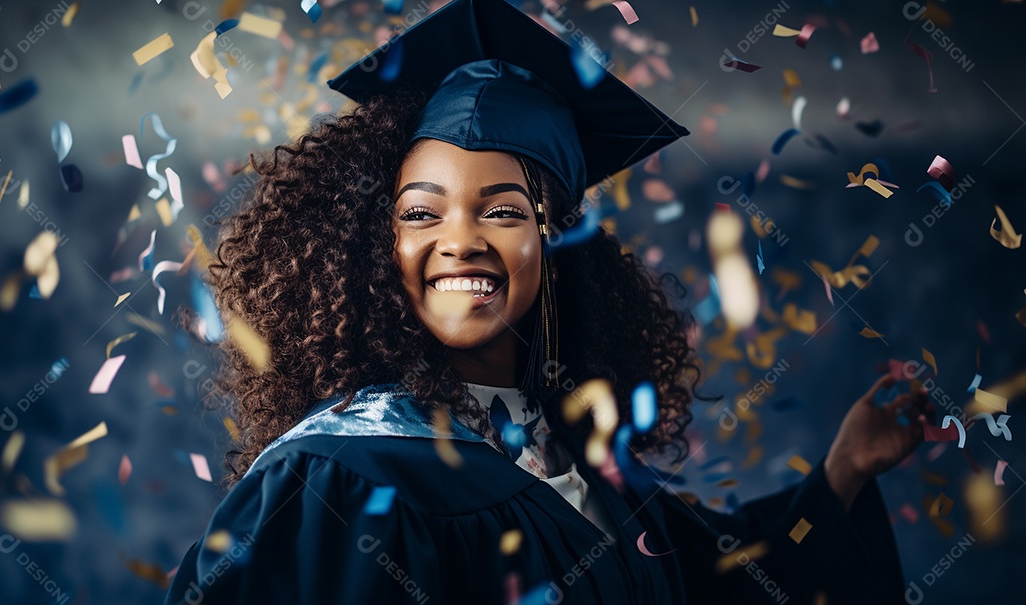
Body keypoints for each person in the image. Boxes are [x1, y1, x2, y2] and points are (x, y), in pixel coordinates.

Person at [166, 0, 932, 603]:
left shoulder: (580, 462)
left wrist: (843, 471)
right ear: (378, 244)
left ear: (557, 242)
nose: (458, 240)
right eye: (421, 213)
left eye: (502, 210)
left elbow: (724, 582)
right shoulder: (347, 477)